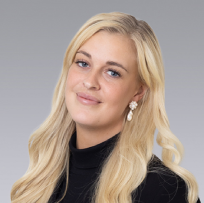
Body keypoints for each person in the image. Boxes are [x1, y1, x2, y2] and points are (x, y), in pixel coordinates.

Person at [10, 12, 201, 203]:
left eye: (112, 72)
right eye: (83, 63)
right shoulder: (39, 181)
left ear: (138, 92)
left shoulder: (166, 190)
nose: (90, 82)